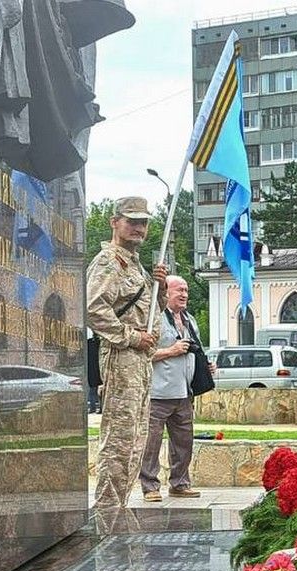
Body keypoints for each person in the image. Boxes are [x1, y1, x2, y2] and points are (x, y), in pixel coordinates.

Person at [87, 196, 167, 510]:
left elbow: (147, 312)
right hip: (122, 357)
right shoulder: (109, 261)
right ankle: (107, 510)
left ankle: (117, 505)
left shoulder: (135, 265)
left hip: (140, 361)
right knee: (120, 438)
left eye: (143, 222)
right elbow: (94, 309)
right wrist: (132, 338)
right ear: (114, 222)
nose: (138, 228)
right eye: (131, 221)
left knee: (135, 438)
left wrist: (159, 290)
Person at [139, 275, 205, 502]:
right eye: (179, 290)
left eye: (186, 290)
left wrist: (205, 365)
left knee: (184, 442)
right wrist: (171, 351)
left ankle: (180, 483)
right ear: (166, 293)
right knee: (151, 443)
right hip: (158, 393)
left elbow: (194, 350)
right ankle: (150, 486)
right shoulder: (154, 319)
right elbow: (143, 354)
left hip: (184, 392)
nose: (184, 294)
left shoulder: (190, 320)